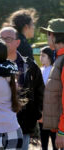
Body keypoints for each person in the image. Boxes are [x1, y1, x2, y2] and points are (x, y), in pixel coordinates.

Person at [0, 27, 44, 150]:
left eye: (7, 39)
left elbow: (40, 92)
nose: (3, 42)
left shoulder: (30, 66)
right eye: (0, 39)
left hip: (22, 127)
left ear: (17, 42)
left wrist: (36, 114)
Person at [40, 18, 64, 149]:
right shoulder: (59, 58)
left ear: (54, 35)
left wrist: (62, 131)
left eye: (48, 34)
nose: (47, 37)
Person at [39, 46, 57, 150]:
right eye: (40, 55)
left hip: (52, 110)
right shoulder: (41, 70)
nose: (41, 58)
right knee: (43, 137)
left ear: (50, 57)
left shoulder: (54, 70)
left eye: (43, 56)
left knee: (54, 138)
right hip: (42, 109)